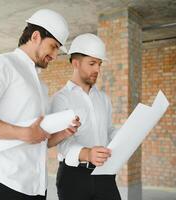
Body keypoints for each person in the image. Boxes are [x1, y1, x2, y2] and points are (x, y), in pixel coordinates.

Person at [0, 9, 80, 200]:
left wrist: (64, 132)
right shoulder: (2, 65)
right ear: (35, 36)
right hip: (7, 183)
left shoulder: (40, 85)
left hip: (37, 187)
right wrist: (22, 133)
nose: (55, 55)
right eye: (53, 46)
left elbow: (38, 139)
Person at [50, 33, 122, 200]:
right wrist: (88, 154)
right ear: (76, 63)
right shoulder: (61, 99)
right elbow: (62, 143)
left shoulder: (104, 98)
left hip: (104, 173)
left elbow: (109, 130)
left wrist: (127, 136)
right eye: (92, 63)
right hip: (73, 177)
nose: (97, 69)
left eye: (99, 64)